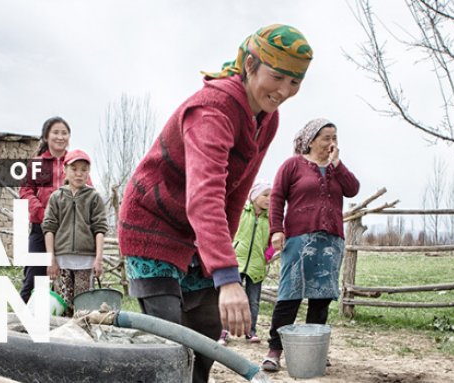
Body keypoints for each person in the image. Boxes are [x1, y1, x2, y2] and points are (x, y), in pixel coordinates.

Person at [118, 24, 313, 383]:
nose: (284, 91)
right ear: (251, 65)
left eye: (295, 82)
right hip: (154, 222)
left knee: (206, 332)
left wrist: (220, 266)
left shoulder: (267, 119)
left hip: (196, 229)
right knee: (169, 337)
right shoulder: (213, 108)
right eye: (277, 76)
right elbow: (204, 194)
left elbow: (235, 193)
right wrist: (226, 277)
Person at [261, 118, 360, 372]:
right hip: (299, 239)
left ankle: (314, 350)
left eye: (334, 138)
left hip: (330, 240)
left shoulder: (337, 168)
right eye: (326, 137)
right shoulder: (292, 165)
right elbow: (277, 199)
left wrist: (337, 163)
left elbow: (353, 190)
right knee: (289, 295)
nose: (331, 143)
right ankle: (275, 350)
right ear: (311, 140)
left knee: (321, 298)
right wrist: (276, 230)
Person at [42, 149, 108, 317]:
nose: (79, 174)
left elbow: (99, 229)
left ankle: (82, 341)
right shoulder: (57, 197)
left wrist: (98, 259)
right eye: (74, 169)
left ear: (88, 172)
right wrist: (51, 259)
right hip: (62, 261)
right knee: (62, 308)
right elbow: (49, 228)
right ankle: (61, 341)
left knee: (83, 310)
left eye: (83, 170)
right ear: (65, 170)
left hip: (86, 261)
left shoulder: (94, 197)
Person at [19, 117, 71, 303]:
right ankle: (22, 322)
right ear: (46, 137)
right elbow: (25, 191)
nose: (60, 136)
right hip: (40, 228)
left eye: (64, 133)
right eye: (55, 132)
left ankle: (63, 323)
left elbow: (88, 192)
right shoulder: (37, 163)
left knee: (68, 280)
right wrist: (41, 211)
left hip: (68, 230)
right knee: (34, 277)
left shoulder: (74, 163)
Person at [218, 179, 273, 346]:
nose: (269, 199)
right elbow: (229, 229)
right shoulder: (242, 212)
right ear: (254, 196)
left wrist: (267, 255)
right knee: (229, 299)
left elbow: (273, 240)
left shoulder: (270, 219)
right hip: (236, 261)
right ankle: (223, 331)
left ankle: (251, 331)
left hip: (257, 264)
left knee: (253, 300)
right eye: (265, 195)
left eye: (271, 195)